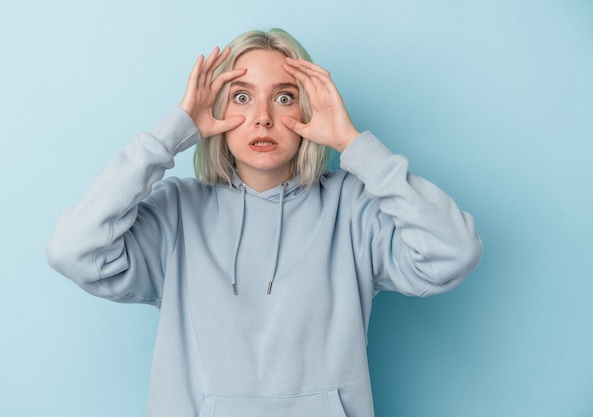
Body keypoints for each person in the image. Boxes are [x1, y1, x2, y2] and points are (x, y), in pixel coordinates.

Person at [46, 28, 482, 417]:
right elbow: (73, 249)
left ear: (309, 111)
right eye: (241, 96)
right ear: (216, 112)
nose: (263, 117)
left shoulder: (353, 208)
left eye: (284, 96)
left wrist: (353, 143)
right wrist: (172, 134)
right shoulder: (176, 211)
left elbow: (453, 252)